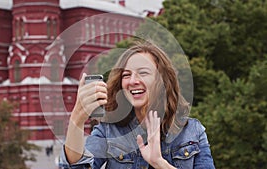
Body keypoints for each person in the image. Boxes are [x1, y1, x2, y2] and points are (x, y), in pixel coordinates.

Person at [59, 41, 215, 169]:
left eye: (143, 72)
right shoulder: (108, 130)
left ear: (162, 81)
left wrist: (160, 164)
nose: (133, 81)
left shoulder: (193, 132)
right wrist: (77, 118)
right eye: (126, 74)